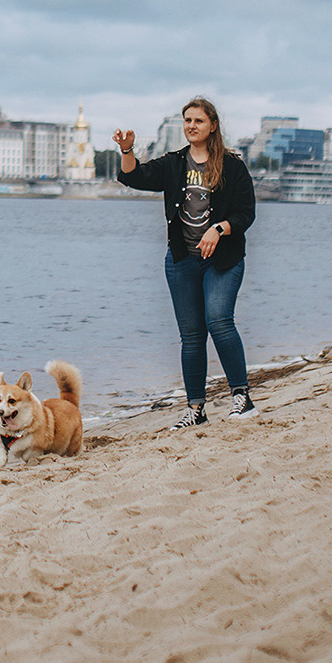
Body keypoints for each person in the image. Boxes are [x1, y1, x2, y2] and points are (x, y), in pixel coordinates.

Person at [113, 97, 258, 429]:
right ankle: (196, 410)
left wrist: (218, 229)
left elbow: (246, 213)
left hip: (223, 260)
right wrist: (126, 151)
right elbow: (135, 177)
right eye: (187, 120)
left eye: (199, 121)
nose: (192, 126)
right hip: (182, 261)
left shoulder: (233, 166)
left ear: (213, 126)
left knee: (219, 320)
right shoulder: (174, 163)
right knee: (191, 336)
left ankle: (242, 397)